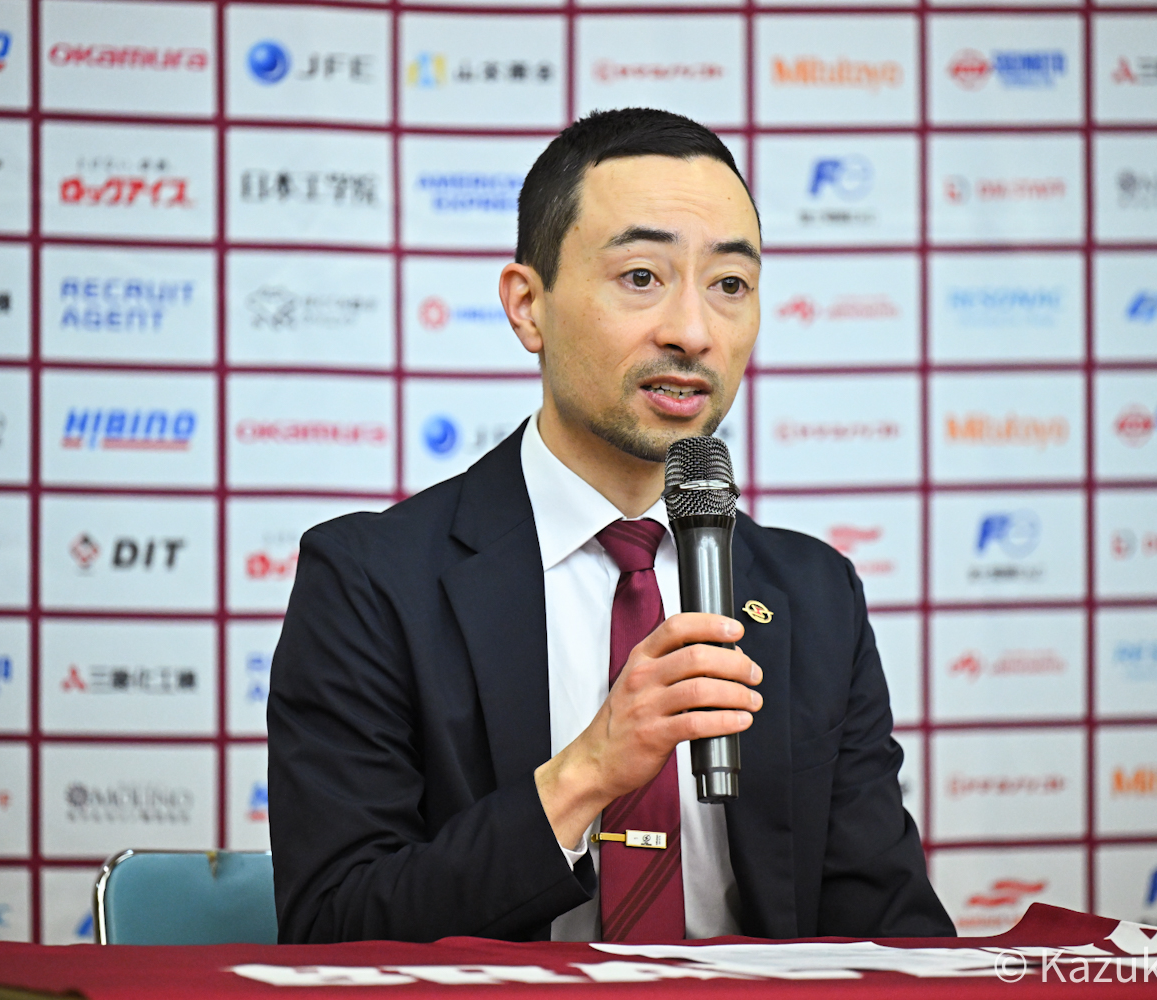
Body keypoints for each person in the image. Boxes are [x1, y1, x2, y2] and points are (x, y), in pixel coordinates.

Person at [268, 107, 953, 944]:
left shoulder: (813, 594)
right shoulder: (371, 581)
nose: (692, 332)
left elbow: (893, 934)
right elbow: (333, 928)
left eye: (729, 285)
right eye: (640, 276)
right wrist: (587, 774)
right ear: (528, 306)